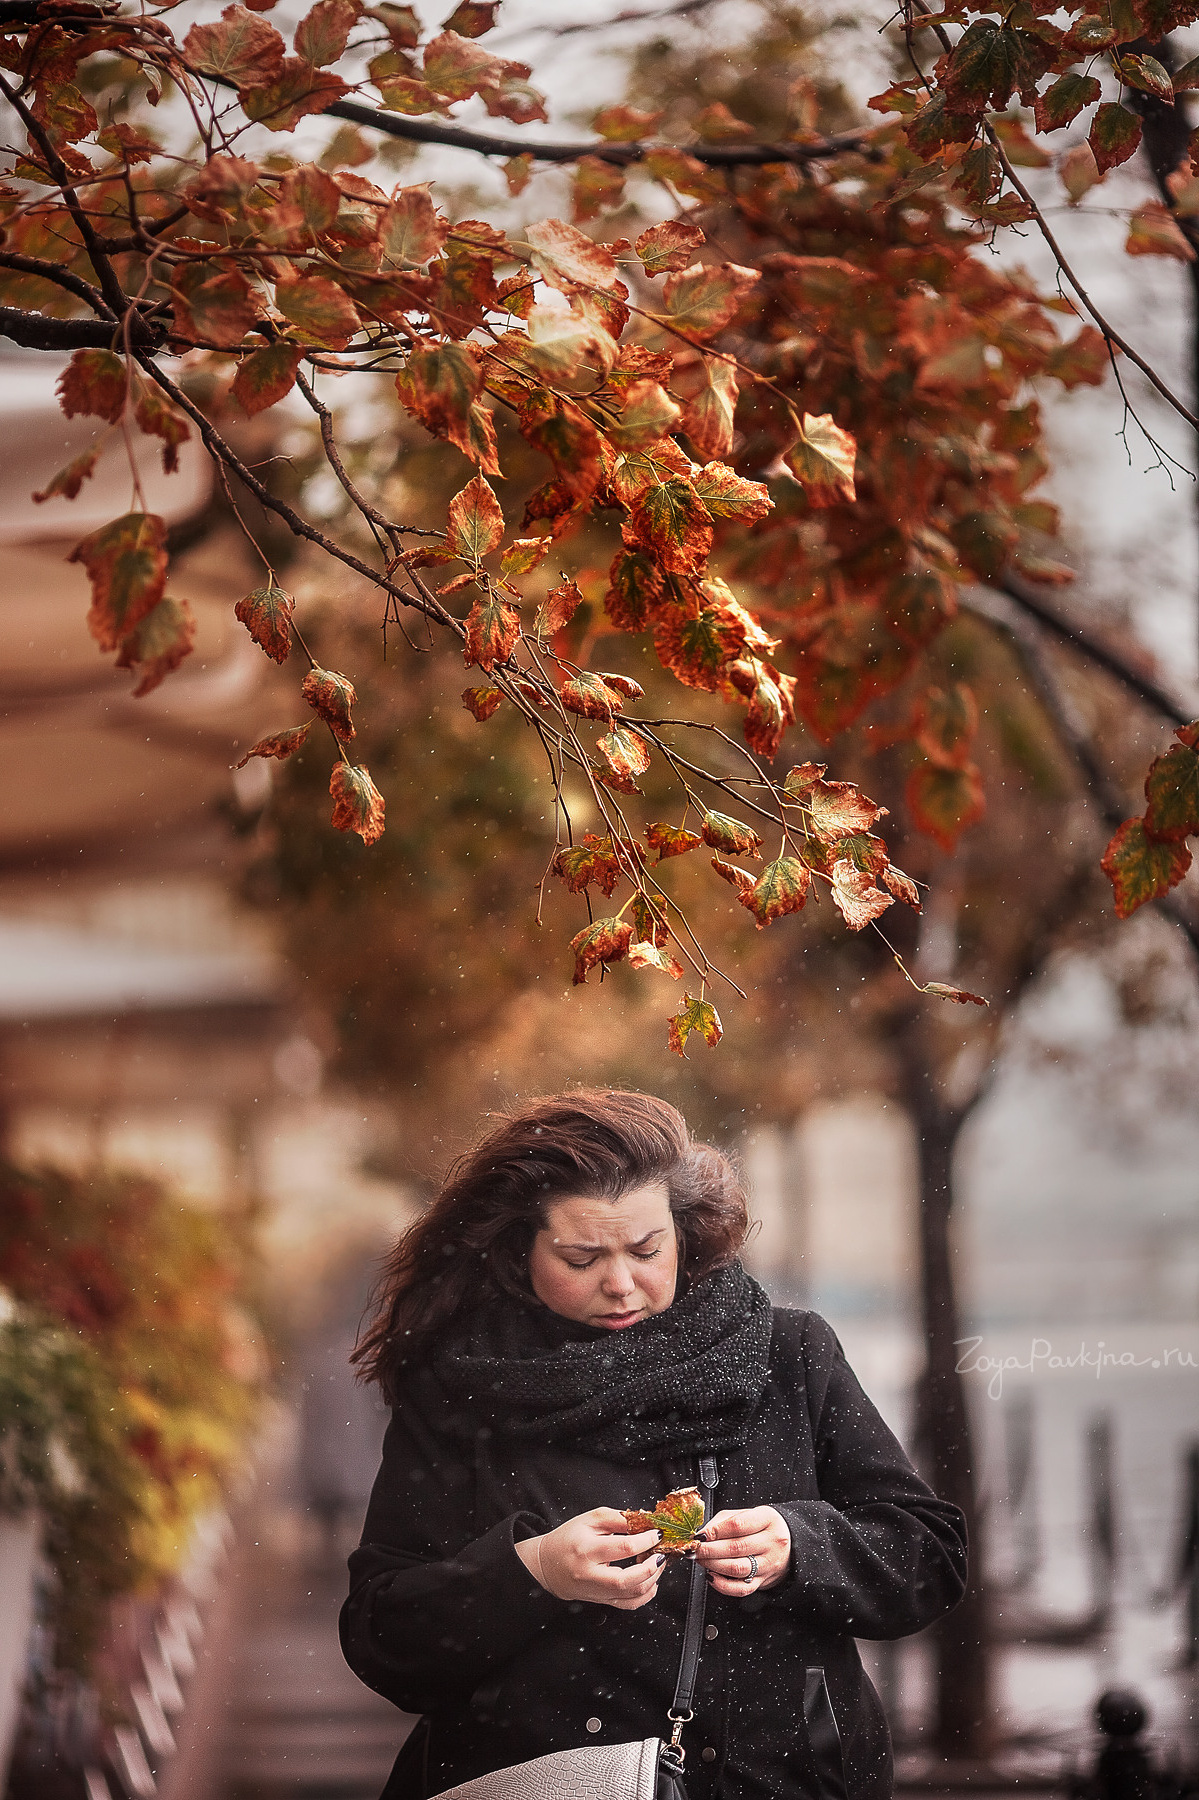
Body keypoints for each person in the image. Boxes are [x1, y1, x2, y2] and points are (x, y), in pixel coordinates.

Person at [340, 1091, 968, 1800]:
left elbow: (929, 1555)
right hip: (545, 1783)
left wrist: (800, 1546)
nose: (619, 1284)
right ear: (519, 1253)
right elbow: (382, 1637)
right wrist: (532, 1572)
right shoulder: (459, 1387)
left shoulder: (788, 1355)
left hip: (784, 1780)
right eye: (580, 1258)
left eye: (646, 1250)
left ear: (684, 1234)